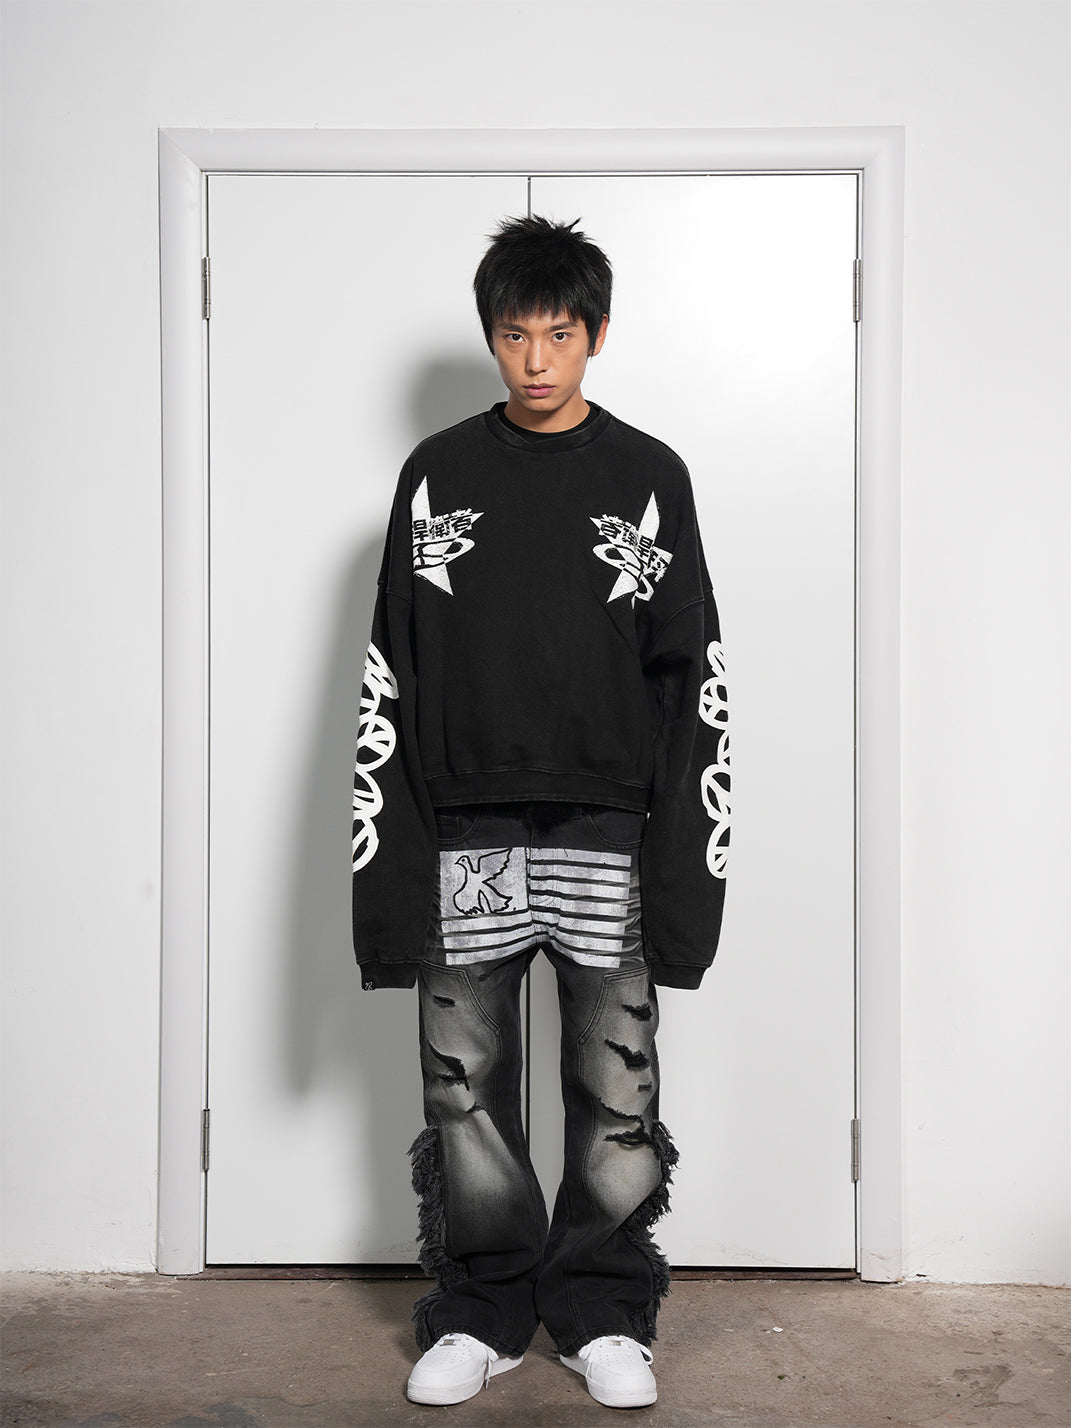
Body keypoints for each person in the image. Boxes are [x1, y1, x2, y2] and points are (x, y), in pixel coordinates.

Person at [351, 214, 730, 1410]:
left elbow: (694, 677)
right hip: (466, 830)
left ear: (596, 335)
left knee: (617, 1094)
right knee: (463, 1087)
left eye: (558, 334)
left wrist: (686, 870)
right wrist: (388, 865)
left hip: (609, 833)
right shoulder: (437, 474)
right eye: (514, 334)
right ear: (491, 337)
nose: (535, 359)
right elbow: (392, 665)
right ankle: (482, 1312)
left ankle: (604, 1310)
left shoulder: (651, 478)